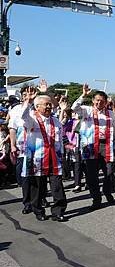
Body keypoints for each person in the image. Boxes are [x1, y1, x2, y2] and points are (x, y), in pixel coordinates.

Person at [20, 88, 67, 222]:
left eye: (49, 104)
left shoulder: (55, 121)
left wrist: (62, 155)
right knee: (38, 187)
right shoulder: (32, 119)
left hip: (54, 158)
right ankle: (38, 210)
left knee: (57, 186)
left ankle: (58, 211)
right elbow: (23, 116)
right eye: (45, 104)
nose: (48, 106)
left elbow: (59, 140)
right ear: (37, 106)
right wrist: (28, 101)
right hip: (37, 159)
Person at [71, 85, 115, 210]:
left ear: (106, 102)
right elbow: (74, 107)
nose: (99, 103)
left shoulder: (111, 114)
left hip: (106, 145)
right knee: (92, 176)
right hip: (91, 145)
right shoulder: (87, 111)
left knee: (109, 172)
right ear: (93, 101)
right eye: (97, 100)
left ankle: (107, 192)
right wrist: (83, 95)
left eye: (102, 101)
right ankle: (96, 198)